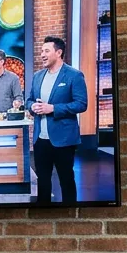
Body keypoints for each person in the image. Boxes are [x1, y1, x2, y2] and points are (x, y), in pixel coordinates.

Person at [27, 35, 88, 204]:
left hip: (64, 139)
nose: (42, 54)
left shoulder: (74, 75)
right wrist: (32, 107)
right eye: (41, 51)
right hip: (41, 139)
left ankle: (71, 215)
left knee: (66, 180)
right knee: (43, 181)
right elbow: (29, 99)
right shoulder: (38, 76)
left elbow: (81, 104)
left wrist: (53, 108)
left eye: (46, 51)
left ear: (59, 52)